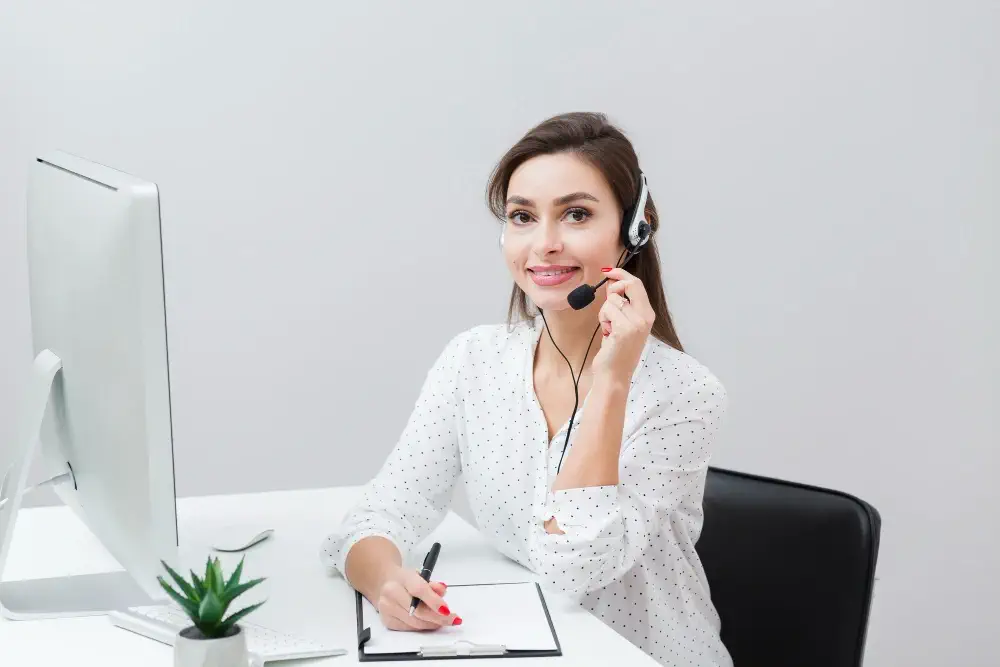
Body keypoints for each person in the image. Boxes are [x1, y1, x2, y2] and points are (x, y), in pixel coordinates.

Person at [321, 111, 732, 667]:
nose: (544, 244)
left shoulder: (683, 393)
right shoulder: (475, 360)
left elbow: (576, 565)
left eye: (577, 214)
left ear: (634, 229)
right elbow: (387, 507)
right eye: (522, 216)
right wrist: (385, 582)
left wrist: (610, 381)